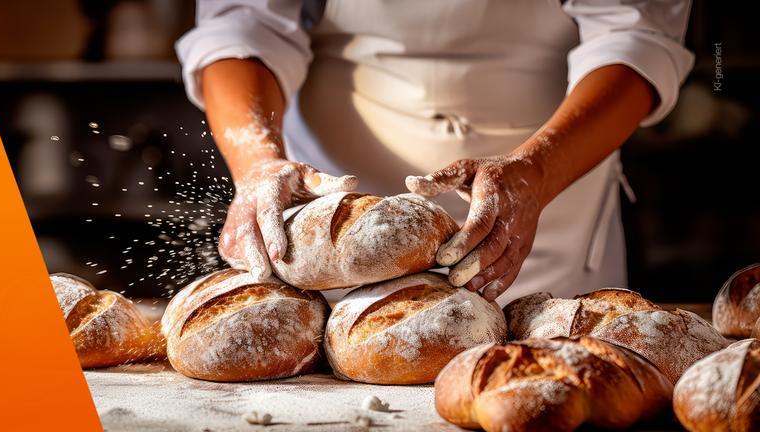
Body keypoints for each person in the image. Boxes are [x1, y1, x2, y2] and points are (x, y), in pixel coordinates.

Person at [176, 0, 693, 305]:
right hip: (327, 210)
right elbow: (243, 24)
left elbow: (637, 36)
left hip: (548, 198)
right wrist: (257, 163)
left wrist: (536, 171)